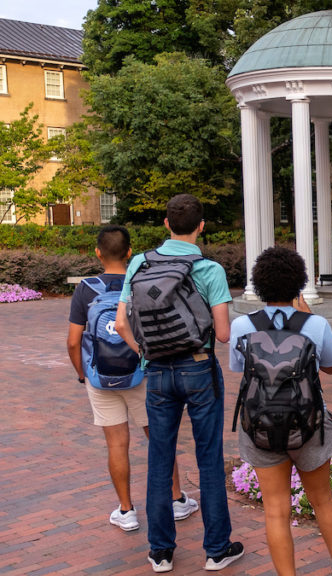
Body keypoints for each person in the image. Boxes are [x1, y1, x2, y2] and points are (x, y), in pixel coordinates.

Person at [114, 194, 243, 573]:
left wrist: (145, 354)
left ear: (166, 224)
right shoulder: (210, 270)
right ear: (201, 226)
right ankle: (217, 549)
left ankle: (161, 552)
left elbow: (122, 323)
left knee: (159, 458)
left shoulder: (139, 262)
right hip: (199, 368)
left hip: (155, 372)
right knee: (209, 458)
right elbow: (222, 335)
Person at [228, 247, 332, 576]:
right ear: (299, 283)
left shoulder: (242, 325)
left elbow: (237, 367)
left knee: (275, 509)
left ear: (259, 284)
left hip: (259, 425)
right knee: (323, 499)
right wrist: (310, 315)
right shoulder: (314, 324)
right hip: (310, 424)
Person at [67, 225, 198, 532]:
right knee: (159, 437)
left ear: (98, 253)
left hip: (100, 377)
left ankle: (126, 511)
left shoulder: (86, 288)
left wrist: (82, 374)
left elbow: (73, 341)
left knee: (117, 444)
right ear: (129, 252)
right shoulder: (140, 281)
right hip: (142, 373)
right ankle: (177, 500)